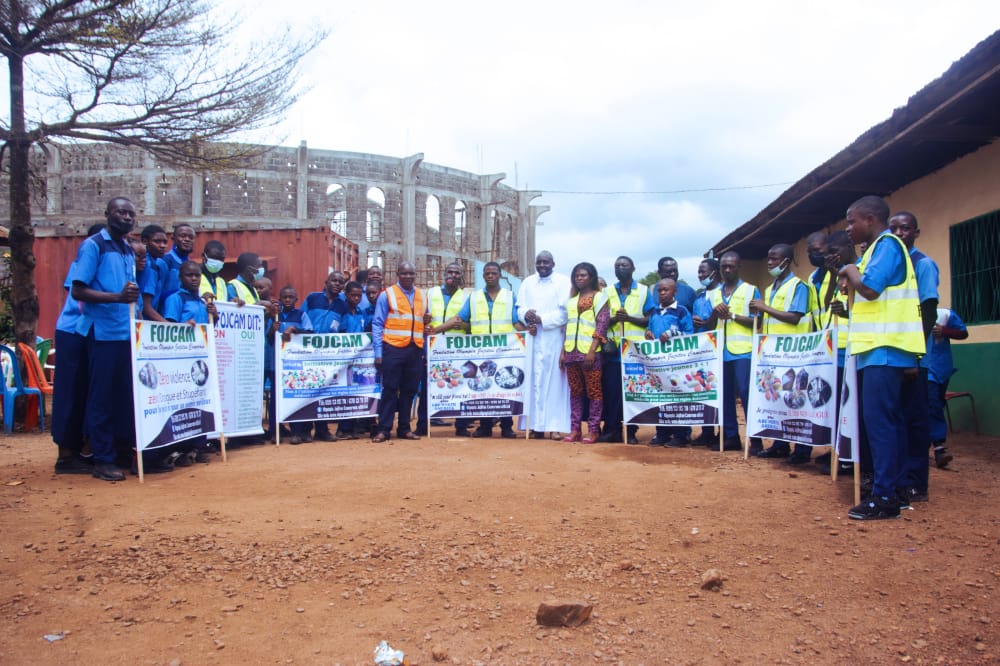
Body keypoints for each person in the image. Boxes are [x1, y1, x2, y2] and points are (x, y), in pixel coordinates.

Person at [839, 195, 925, 520]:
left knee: (881, 424)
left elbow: (871, 289)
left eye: (852, 221)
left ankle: (885, 496)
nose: (848, 228)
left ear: (871, 220)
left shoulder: (887, 245)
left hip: (884, 348)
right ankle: (897, 488)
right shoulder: (876, 251)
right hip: (877, 348)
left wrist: (850, 269)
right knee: (890, 422)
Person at [69, 197, 140, 482]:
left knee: (124, 397)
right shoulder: (93, 246)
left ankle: (121, 452)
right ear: (107, 214)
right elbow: (78, 290)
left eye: (131, 214)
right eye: (120, 212)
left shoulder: (127, 249)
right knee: (101, 398)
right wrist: (117, 298)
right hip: (101, 333)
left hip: (125, 334)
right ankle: (102, 460)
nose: (126, 217)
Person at [890, 211, 939, 503]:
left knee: (915, 421)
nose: (898, 233)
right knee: (896, 418)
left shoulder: (923, 265)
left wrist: (914, 354)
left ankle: (916, 481)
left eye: (905, 228)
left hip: (915, 358)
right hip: (893, 357)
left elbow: (928, 311)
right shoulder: (893, 266)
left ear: (916, 233)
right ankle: (898, 476)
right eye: (893, 228)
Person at [750, 243, 813, 464]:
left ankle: (802, 450)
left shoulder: (799, 286)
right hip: (773, 354)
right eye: (769, 259)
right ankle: (780, 444)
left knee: (796, 399)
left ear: (786, 261)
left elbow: (795, 317)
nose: (770, 263)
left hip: (794, 353)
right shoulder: (771, 288)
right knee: (778, 400)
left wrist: (764, 307)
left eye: (774, 259)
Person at [51, 223, 107, 474]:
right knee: (69, 392)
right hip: (73, 332)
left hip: (90, 335)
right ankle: (65, 456)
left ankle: (81, 450)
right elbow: (79, 296)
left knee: (86, 391)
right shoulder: (83, 262)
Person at [446, 262, 522, 439]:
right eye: (487, 273)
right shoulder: (474, 297)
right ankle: (485, 427)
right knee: (483, 389)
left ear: (499, 275)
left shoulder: (510, 296)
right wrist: (444, 328)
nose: (490, 276)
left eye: (493, 273)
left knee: (505, 388)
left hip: (505, 351)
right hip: (480, 351)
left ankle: (507, 427)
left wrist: (528, 331)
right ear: (483, 276)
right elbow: (463, 319)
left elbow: (516, 321)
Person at [705, 251, 761, 453]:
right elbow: (708, 325)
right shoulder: (714, 294)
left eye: (731, 266)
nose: (727, 270)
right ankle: (731, 436)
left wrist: (733, 316)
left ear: (739, 267)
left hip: (743, 352)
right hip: (720, 352)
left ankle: (756, 439)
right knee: (724, 395)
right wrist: (714, 313)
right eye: (723, 267)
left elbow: (758, 321)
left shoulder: (750, 290)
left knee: (746, 394)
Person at [812, 231, 856, 475]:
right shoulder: (836, 274)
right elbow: (826, 304)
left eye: (833, 251)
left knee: (850, 403)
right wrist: (831, 274)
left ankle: (850, 457)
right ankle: (840, 451)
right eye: (827, 253)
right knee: (837, 404)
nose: (830, 256)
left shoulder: (858, 270)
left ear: (848, 246)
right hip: (834, 347)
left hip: (853, 347)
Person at [516, 251, 572, 438]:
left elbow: (565, 312)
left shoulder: (563, 282)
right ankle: (534, 426)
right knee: (532, 380)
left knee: (555, 382)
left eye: (545, 262)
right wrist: (527, 317)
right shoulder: (528, 282)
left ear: (553, 263)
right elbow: (519, 308)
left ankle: (555, 426)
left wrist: (542, 319)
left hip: (554, 337)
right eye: (539, 262)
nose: (542, 265)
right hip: (532, 338)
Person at [599, 256, 654, 444]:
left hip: (635, 352)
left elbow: (649, 318)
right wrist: (614, 319)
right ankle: (612, 429)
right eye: (617, 266)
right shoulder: (606, 292)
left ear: (633, 268)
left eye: (624, 265)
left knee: (632, 393)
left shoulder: (644, 291)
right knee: (612, 393)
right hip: (613, 352)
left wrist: (629, 318)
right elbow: (600, 319)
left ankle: (630, 430)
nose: (620, 268)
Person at [371, 261, 425, 442]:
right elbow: (378, 324)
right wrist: (378, 353)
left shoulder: (422, 296)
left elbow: (424, 322)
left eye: (411, 274)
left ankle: (404, 428)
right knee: (390, 389)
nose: (408, 277)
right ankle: (384, 429)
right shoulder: (387, 295)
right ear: (398, 274)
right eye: (405, 274)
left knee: (409, 391)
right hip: (393, 348)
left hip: (415, 349)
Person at [560, 262, 610, 443]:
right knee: (575, 393)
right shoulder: (571, 301)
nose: (579, 278)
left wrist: (592, 350)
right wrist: (562, 352)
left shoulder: (600, 298)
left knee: (594, 392)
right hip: (571, 353)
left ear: (592, 277)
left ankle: (593, 430)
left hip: (590, 353)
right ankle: (575, 430)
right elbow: (568, 327)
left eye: (583, 275)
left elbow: (602, 324)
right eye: (577, 276)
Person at [424, 261, 473, 436]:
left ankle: (461, 426)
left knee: (461, 387)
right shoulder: (431, 293)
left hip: (456, 348)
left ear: (462, 276)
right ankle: (423, 425)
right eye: (450, 272)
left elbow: (467, 323)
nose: (452, 275)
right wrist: (426, 324)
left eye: (457, 273)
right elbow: (423, 315)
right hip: (433, 347)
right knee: (428, 386)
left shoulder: (467, 297)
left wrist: (465, 326)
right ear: (444, 274)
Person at [646, 278, 695, 446]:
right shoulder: (654, 312)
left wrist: (672, 334)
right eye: (659, 290)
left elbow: (689, 334)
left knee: (678, 397)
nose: (662, 293)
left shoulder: (681, 311)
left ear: (675, 292)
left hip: (677, 363)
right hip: (659, 366)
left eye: (666, 290)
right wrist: (649, 335)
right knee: (661, 396)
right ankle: (662, 433)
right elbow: (651, 330)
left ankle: (682, 434)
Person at [303, 270, 348, 441]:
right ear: (326, 282)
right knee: (307, 391)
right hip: (307, 353)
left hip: (328, 357)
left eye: (340, 282)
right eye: (334, 280)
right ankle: (305, 431)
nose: (337, 284)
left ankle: (322, 430)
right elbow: (301, 317)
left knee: (324, 392)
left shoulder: (342, 305)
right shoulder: (313, 298)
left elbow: (343, 330)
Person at [269, 285, 315, 445]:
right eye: (284, 297)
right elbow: (269, 340)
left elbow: (310, 333)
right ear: (280, 298)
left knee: (296, 397)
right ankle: (275, 432)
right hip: (278, 365)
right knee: (275, 400)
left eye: (290, 297)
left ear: (296, 299)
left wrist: (295, 329)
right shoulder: (275, 316)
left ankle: (297, 432)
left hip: (296, 366)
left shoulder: (301, 315)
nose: (287, 300)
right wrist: (272, 330)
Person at [924, 308, 968, 468]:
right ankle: (939, 448)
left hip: (942, 368)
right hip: (924, 368)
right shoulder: (908, 314)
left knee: (936, 404)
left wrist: (944, 331)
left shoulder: (944, 315)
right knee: (932, 404)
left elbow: (963, 333)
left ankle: (925, 447)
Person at [691, 258, 721, 444]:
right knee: (704, 390)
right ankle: (707, 432)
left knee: (720, 393)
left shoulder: (722, 294)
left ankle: (725, 433)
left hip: (719, 349)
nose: (701, 276)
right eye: (699, 273)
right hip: (702, 351)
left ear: (715, 272)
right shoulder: (699, 297)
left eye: (704, 272)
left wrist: (710, 321)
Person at [139, 224, 169, 320]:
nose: (162, 246)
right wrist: (168, 326)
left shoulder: (157, 263)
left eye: (165, 242)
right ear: (145, 241)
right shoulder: (149, 265)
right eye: (157, 241)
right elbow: (146, 307)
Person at [161, 223, 196, 305]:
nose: (187, 239)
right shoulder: (165, 260)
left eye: (191, 237)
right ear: (173, 238)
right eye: (183, 236)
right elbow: (157, 294)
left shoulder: (191, 265)